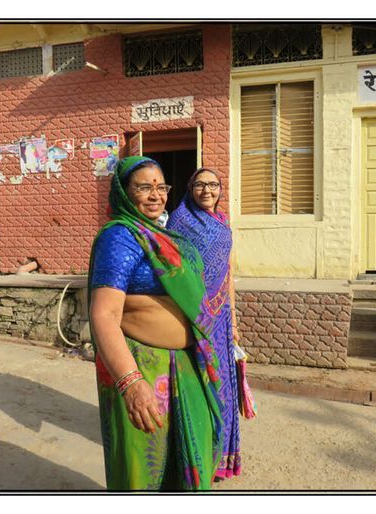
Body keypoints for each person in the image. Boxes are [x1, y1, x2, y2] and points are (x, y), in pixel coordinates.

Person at [87, 156, 218, 490]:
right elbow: (104, 314)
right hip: (144, 368)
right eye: (144, 187)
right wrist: (131, 383)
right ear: (123, 192)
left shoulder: (163, 235)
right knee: (144, 474)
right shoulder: (120, 237)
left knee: (185, 465)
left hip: (186, 365)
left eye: (161, 187)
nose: (156, 195)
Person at [167, 168, 257, 481]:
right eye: (201, 184)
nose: (208, 190)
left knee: (223, 387)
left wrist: (232, 321)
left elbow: (228, 271)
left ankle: (221, 456)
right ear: (190, 188)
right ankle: (196, 453)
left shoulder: (221, 224)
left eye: (214, 185)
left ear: (221, 189)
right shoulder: (179, 222)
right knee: (198, 384)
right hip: (192, 316)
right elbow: (174, 272)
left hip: (220, 319)